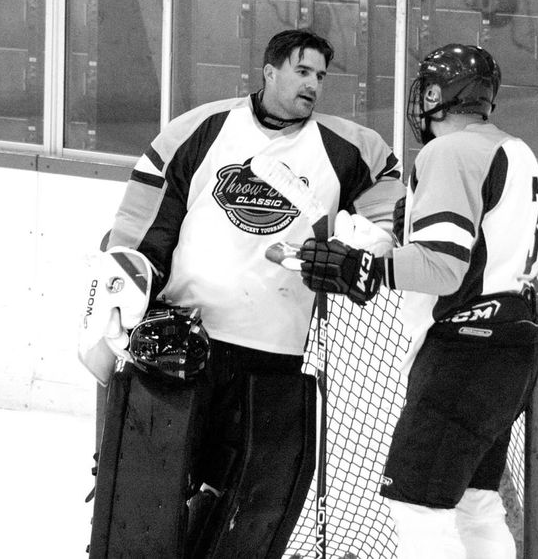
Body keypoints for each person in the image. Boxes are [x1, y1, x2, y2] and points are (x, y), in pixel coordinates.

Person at [85, 28, 403, 558]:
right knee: (144, 493)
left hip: (273, 354)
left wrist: (355, 248)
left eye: (321, 76)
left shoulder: (350, 147)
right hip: (182, 342)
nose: (312, 85)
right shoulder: (201, 129)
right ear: (270, 71)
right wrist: (126, 301)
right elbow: (143, 227)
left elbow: (387, 215)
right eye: (302, 72)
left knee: (243, 507)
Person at [296, 43, 538, 559]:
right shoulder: (515, 150)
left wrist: (363, 267)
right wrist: (387, 245)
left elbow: (443, 266)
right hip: (510, 349)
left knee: (416, 504)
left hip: (464, 352)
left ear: (436, 95)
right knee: (476, 503)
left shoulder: (450, 152)